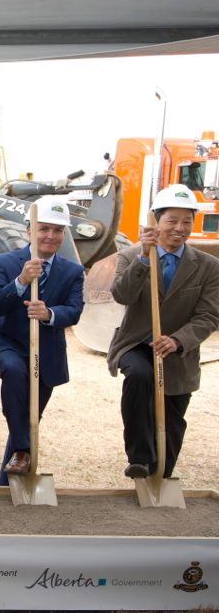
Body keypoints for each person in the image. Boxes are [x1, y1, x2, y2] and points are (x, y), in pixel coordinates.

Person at [108, 184, 219, 480]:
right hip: (136, 344)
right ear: (156, 222)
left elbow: (208, 315)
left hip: (178, 352)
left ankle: (160, 476)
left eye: (187, 221)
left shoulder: (208, 266)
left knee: (171, 423)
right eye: (172, 220)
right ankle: (140, 459)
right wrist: (144, 258)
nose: (180, 228)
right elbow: (122, 295)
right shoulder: (131, 256)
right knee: (141, 376)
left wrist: (177, 340)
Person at [0, 197, 85, 485]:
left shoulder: (72, 271)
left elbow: (75, 310)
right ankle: (24, 451)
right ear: (29, 231)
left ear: (63, 234)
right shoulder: (5, 263)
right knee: (14, 372)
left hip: (46, 352)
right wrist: (21, 282)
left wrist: (50, 313)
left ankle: (9, 480)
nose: (50, 236)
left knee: (27, 420)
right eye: (43, 229)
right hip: (6, 343)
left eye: (57, 230)